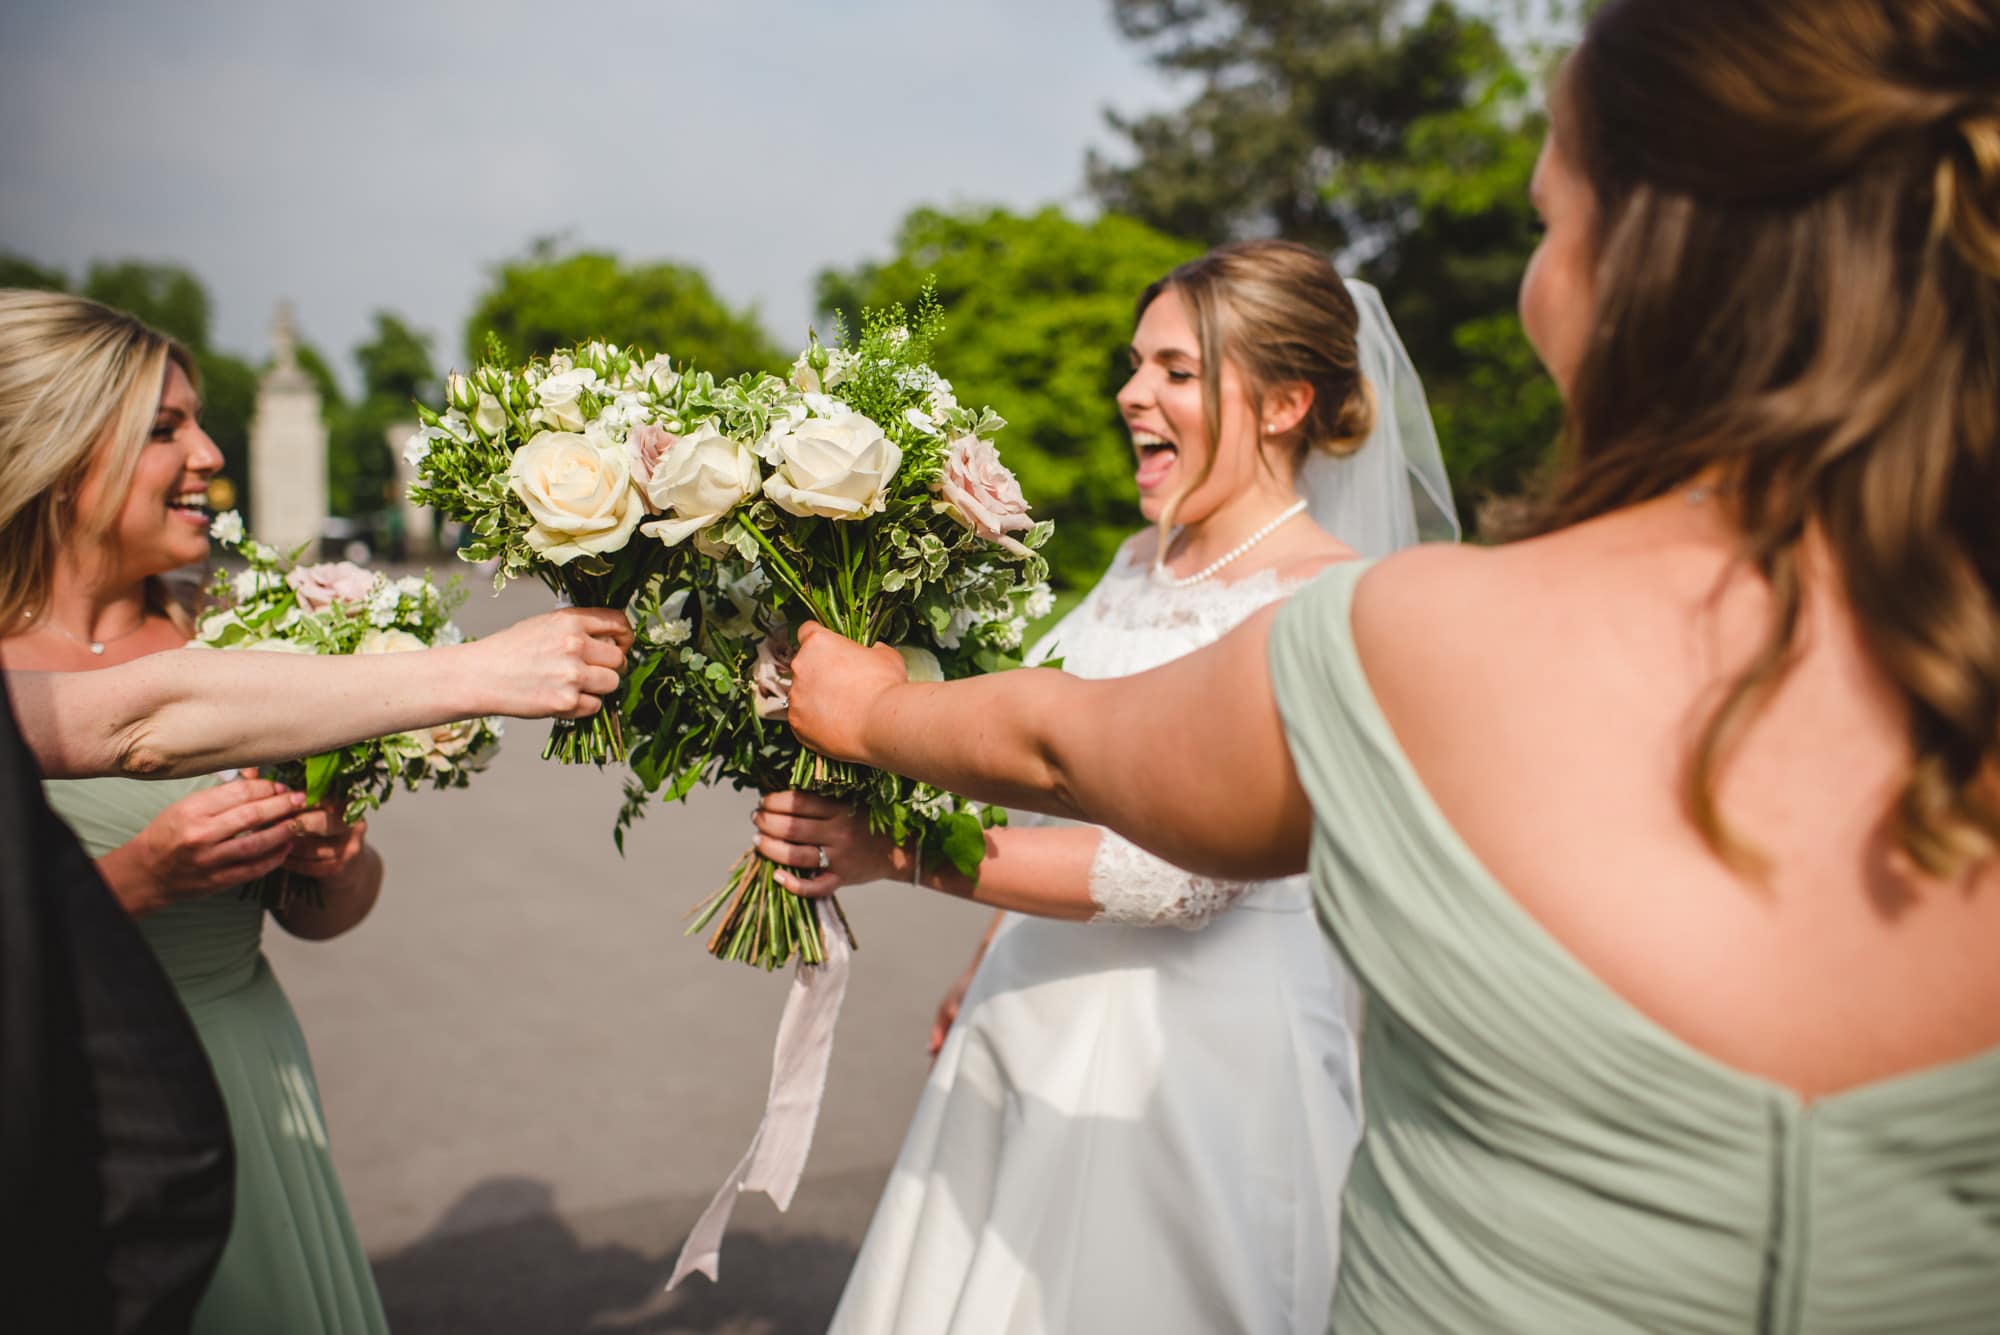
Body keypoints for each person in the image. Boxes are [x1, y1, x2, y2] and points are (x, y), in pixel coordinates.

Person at [784, 0, 2000, 1327]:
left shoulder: (1425, 631)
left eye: (1550, 221)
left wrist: (871, 705)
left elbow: (1066, 744)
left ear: (1654, 259)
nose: (1535, 274)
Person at [753, 243, 1454, 1334]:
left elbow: (1173, 873)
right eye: (1136, 366)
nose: (1131, 393)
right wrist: (990, 954)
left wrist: (897, 855)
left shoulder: (1332, 598)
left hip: (1194, 1068)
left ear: (1283, 403)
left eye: (1176, 371)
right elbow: (1053, 786)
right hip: (1028, 1009)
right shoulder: (1138, 558)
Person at [0, 287, 614, 1333]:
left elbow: (326, 913)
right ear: (56, 457)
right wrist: (137, 883)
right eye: (164, 430)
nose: (208, 456)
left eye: (198, 422)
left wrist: (331, 866)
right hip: (65, 1085)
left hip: (248, 1063)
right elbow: (143, 722)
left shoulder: (241, 629)